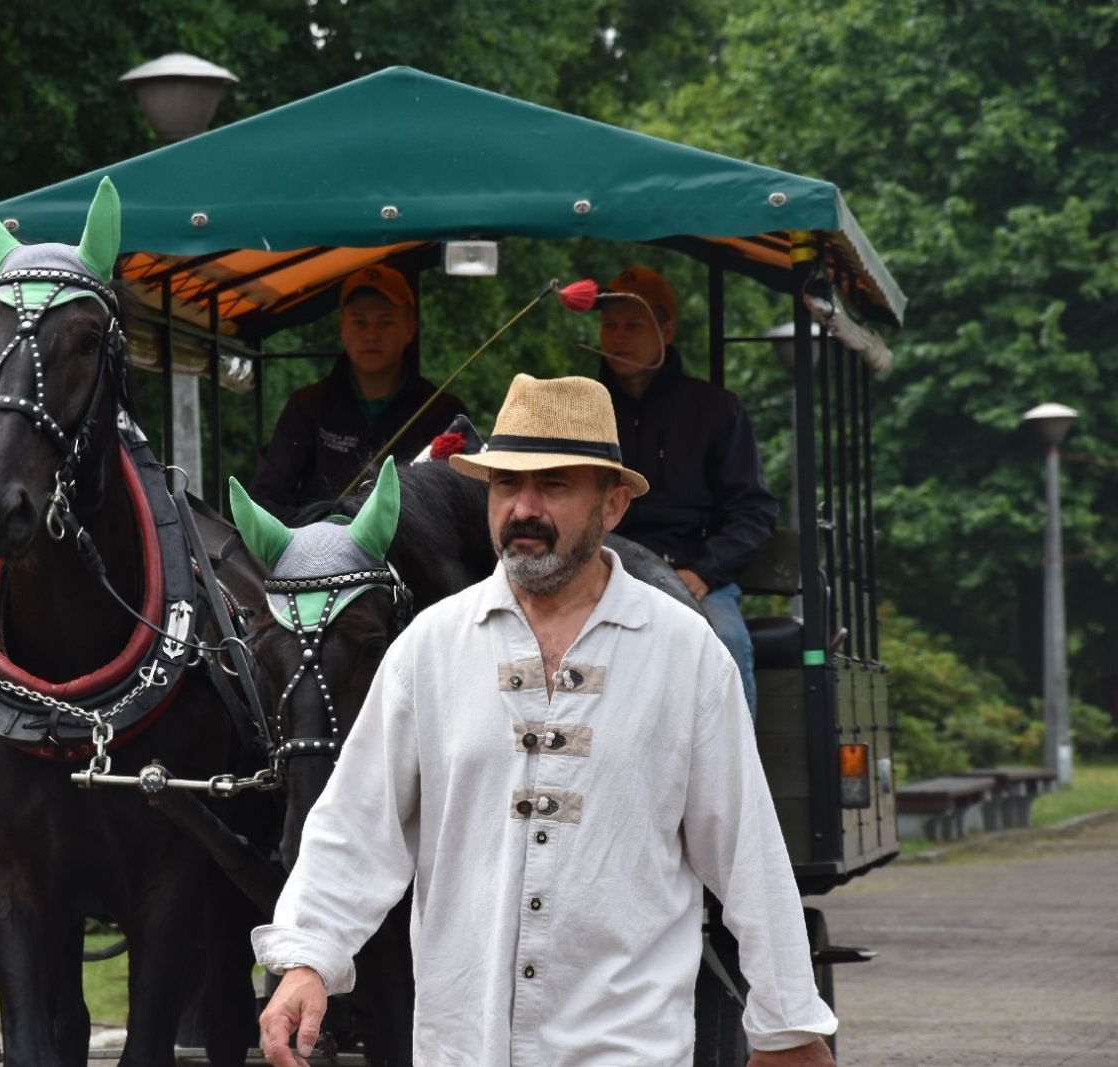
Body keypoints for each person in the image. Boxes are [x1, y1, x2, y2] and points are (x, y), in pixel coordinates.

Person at [253, 374, 836, 1067]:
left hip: (626, 1049)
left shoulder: (685, 656)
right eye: (506, 487)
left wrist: (788, 1025)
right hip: (462, 1048)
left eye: (554, 486)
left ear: (612, 503)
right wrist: (307, 957)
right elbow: (356, 826)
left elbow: (747, 853)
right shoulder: (429, 650)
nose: (523, 508)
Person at [595, 265, 778, 719]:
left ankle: (738, 784)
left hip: (695, 576)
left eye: (634, 325)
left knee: (727, 641)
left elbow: (753, 511)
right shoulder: (583, 409)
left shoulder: (715, 409)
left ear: (667, 330)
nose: (619, 336)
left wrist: (703, 572)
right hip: (599, 573)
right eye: (610, 324)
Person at [249, 264, 468, 517]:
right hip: (319, 551)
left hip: (410, 552)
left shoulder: (442, 413)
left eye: (385, 322)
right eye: (359, 322)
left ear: (409, 329)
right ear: (341, 326)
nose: (371, 334)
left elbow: (459, 504)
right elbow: (265, 497)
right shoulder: (307, 406)